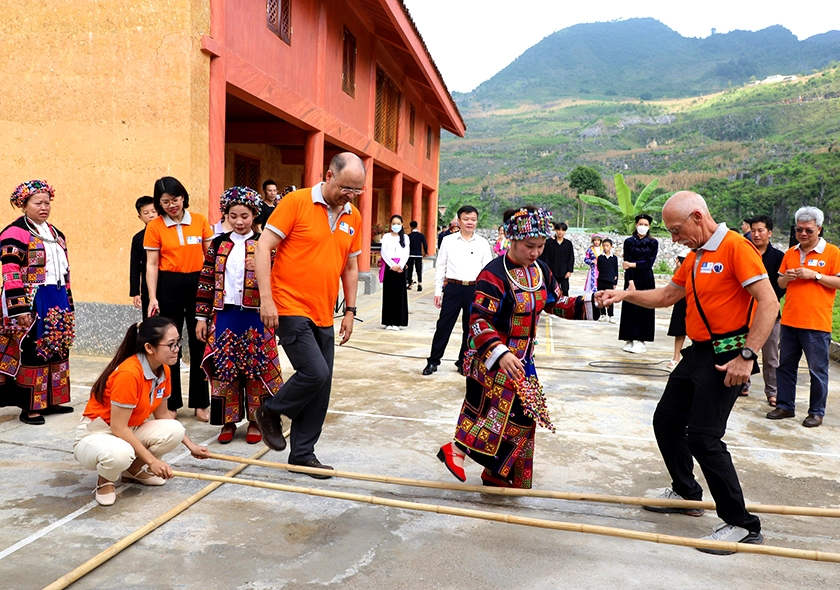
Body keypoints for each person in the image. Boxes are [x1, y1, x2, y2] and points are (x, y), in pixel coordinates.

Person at [597, 191, 778, 554]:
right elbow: (667, 295)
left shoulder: (735, 248)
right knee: (666, 421)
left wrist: (747, 355)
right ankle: (686, 492)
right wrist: (625, 295)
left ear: (698, 217)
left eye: (677, 229)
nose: (674, 238)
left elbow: (769, 302)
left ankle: (742, 524)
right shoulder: (696, 256)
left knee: (704, 438)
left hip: (728, 354)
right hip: (697, 352)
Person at [437, 206, 600, 489]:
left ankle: (496, 472)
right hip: (494, 358)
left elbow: (556, 304)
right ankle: (458, 451)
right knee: (498, 415)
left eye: (540, 246)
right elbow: (478, 319)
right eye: (529, 246)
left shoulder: (541, 271)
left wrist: (594, 302)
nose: (536, 252)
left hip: (524, 360)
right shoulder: (493, 274)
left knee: (524, 418)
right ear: (512, 240)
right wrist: (500, 353)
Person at [254, 152, 363, 478]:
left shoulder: (352, 216)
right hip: (289, 305)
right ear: (329, 175)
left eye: (358, 190)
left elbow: (351, 265)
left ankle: (302, 454)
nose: (351, 195)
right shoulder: (296, 202)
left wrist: (350, 311)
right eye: (347, 187)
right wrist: (266, 299)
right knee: (314, 372)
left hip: (324, 309)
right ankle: (269, 411)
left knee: (321, 385)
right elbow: (263, 248)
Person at [73, 317, 210, 506]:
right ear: (149, 348)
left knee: (175, 429)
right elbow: (118, 428)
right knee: (121, 453)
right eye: (171, 344)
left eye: (178, 342)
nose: (177, 348)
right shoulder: (129, 374)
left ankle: (133, 471)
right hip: (98, 432)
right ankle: (105, 480)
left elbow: (163, 415)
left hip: (129, 428)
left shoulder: (164, 370)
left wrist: (190, 445)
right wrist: (153, 462)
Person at [196, 187, 284, 444]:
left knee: (256, 368)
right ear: (226, 216)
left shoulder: (264, 245)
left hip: (255, 316)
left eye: (244, 215)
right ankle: (228, 420)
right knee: (225, 367)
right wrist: (201, 318)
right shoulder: (217, 244)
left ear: (254, 214)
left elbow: (279, 279)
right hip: (225, 315)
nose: (238, 221)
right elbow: (206, 281)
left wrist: (264, 270)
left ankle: (257, 420)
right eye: (233, 215)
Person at [0, 180, 75, 425]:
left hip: (57, 298)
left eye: (47, 202)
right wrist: (20, 308)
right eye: (37, 203)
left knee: (58, 346)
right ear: (24, 205)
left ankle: (51, 399)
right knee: (32, 350)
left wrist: (69, 304)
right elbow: (10, 272)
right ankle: (30, 406)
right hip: (33, 299)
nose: (44, 207)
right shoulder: (15, 233)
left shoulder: (56, 234)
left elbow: (65, 272)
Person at [144, 176, 213, 421]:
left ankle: (201, 403)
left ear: (183, 197)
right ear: (158, 203)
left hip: (197, 284)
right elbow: (152, 265)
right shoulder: (155, 227)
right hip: (168, 285)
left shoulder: (200, 221)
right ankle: (170, 403)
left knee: (200, 342)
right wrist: (153, 297)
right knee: (169, 344)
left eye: (175, 199)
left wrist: (212, 292)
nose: (171, 205)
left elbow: (210, 259)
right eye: (165, 202)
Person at [767, 207, 840, 427]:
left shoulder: (833, 253)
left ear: (819, 229)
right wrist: (787, 278)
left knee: (817, 371)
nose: (803, 234)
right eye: (799, 229)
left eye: (808, 230)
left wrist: (815, 275)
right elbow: (779, 283)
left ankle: (816, 412)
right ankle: (785, 406)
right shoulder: (790, 253)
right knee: (785, 367)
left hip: (816, 323)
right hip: (790, 320)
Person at [422, 205, 493, 376]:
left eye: (473, 219)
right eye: (466, 219)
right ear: (459, 221)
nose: (470, 222)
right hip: (453, 288)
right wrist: (438, 292)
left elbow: (487, 272)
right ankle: (433, 361)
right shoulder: (448, 241)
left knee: (470, 329)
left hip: (474, 290)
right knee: (444, 326)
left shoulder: (483, 243)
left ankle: (463, 362)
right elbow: (440, 267)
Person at [746, 215, 785, 405]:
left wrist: (765, 300)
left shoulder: (778, 257)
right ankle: (742, 384)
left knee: (770, 357)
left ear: (769, 232)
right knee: (744, 351)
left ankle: (773, 391)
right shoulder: (745, 253)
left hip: (769, 315)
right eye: (753, 230)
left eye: (760, 230)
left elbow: (781, 288)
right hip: (744, 313)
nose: (756, 234)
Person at [619, 214, 659, 354]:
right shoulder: (629, 242)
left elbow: (649, 263)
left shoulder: (653, 243)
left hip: (646, 277)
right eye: (641, 224)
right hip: (631, 277)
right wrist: (630, 281)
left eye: (646, 225)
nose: (643, 227)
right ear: (636, 225)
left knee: (644, 306)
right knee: (630, 307)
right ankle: (629, 337)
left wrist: (632, 264)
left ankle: (641, 340)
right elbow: (625, 264)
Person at [129, 196, 158, 320]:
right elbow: (134, 267)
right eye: (146, 213)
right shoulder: (138, 238)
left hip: (167, 283)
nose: (151, 215)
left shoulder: (167, 233)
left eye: (154, 211)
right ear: (140, 217)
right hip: (147, 287)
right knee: (149, 320)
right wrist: (135, 292)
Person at [380, 214, 410, 331]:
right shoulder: (386, 237)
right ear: (390, 225)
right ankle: (388, 321)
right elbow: (384, 252)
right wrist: (392, 265)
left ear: (402, 225)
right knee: (389, 294)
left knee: (399, 295)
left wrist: (400, 266)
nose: (396, 226)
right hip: (389, 267)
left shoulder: (405, 238)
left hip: (400, 269)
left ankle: (397, 322)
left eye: (398, 224)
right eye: (394, 224)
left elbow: (406, 253)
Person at [666, 251, 689, 371]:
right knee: (679, 330)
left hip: (694, 299)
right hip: (681, 299)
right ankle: (676, 357)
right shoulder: (680, 267)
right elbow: (675, 280)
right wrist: (678, 267)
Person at [539, 221, 575, 296]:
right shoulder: (549, 243)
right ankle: (551, 307)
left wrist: (569, 271)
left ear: (565, 231)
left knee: (565, 290)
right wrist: (545, 270)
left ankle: (564, 306)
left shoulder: (568, 244)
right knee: (551, 290)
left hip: (564, 272)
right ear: (555, 230)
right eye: (558, 230)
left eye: (562, 230)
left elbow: (571, 257)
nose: (560, 232)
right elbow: (544, 256)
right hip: (551, 271)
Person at [596, 238, 619, 323]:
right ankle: (602, 314)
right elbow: (599, 268)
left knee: (610, 298)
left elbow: (616, 270)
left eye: (607, 246)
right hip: (601, 280)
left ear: (611, 247)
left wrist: (615, 282)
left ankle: (610, 315)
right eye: (604, 246)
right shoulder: (600, 258)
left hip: (610, 281)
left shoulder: (614, 258)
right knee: (601, 298)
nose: (605, 247)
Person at [405, 220, 428, 291]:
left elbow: (406, 246)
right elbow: (425, 244)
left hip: (410, 255)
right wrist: (426, 252)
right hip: (418, 255)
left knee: (410, 270)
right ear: (417, 226)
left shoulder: (409, 236)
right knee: (419, 270)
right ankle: (420, 284)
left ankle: (410, 284)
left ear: (410, 227)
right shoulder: (421, 235)